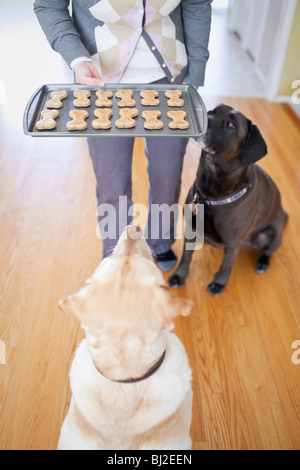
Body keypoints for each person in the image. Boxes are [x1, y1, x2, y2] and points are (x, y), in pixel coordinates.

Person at [33, 0, 212, 270]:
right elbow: (48, 6)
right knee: (111, 179)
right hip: (99, 79)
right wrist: (78, 59)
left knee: (168, 174)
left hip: (171, 77)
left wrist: (196, 69)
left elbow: (197, 3)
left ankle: (159, 243)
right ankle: (115, 252)